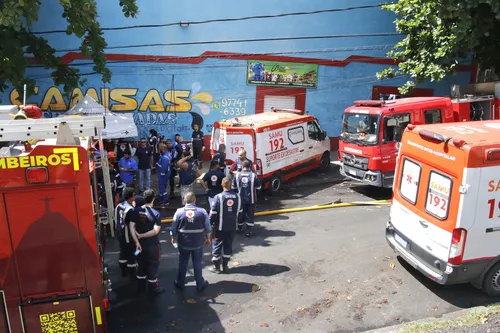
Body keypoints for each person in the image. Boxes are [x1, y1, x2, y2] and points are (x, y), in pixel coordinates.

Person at [171, 192, 211, 292]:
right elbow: (208, 227)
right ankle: (199, 283)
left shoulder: (179, 212)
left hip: (183, 242)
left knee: (183, 262)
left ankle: (180, 282)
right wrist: (208, 238)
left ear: (185, 200)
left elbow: (173, 227)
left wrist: (173, 237)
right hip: (197, 242)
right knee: (197, 262)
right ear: (195, 200)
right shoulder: (202, 211)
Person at [129, 189, 164, 294]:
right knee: (153, 264)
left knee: (141, 263)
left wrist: (136, 240)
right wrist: (142, 235)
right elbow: (155, 231)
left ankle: (141, 287)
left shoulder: (135, 211)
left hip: (139, 246)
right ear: (153, 198)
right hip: (152, 245)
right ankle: (153, 288)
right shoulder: (156, 213)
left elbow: (131, 227)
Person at [208, 177, 241, 274]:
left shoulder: (218, 197)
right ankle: (225, 266)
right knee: (228, 245)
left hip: (220, 227)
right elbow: (240, 211)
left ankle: (216, 267)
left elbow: (213, 213)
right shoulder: (237, 196)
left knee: (217, 245)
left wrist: (209, 225)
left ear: (222, 184)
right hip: (232, 226)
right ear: (230, 185)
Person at [232, 160, 261, 237]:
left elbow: (233, 188)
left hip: (240, 199)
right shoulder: (253, 175)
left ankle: (240, 228)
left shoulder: (237, 175)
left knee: (240, 213)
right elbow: (259, 187)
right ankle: (248, 231)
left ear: (242, 166)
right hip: (251, 199)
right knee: (250, 214)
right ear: (250, 167)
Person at [116, 187, 138, 278]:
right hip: (127, 234)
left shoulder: (119, 206)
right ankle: (132, 272)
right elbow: (131, 225)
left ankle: (123, 270)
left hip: (119, 232)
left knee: (123, 251)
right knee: (131, 252)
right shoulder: (130, 210)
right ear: (131, 197)